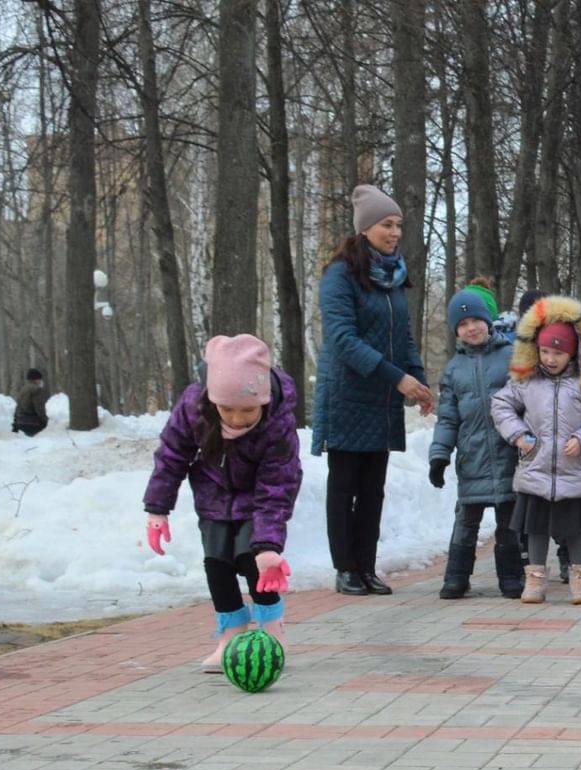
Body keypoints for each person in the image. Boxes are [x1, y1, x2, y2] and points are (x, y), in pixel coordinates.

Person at [142, 335, 302, 670]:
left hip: (257, 499)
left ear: (263, 400)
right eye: (227, 409)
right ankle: (230, 636)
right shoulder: (193, 408)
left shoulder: (277, 423)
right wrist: (158, 508)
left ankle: (272, 630)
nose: (237, 419)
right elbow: (171, 456)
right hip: (213, 496)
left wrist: (269, 545)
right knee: (217, 564)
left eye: (247, 410)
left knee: (252, 560)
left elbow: (278, 485)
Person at [310, 184, 432, 596]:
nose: (395, 232)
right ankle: (345, 568)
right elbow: (342, 340)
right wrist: (396, 377)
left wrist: (419, 379)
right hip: (347, 395)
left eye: (399, 225)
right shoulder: (340, 275)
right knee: (344, 485)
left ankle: (367, 567)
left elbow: (405, 337)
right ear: (365, 228)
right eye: (387, 224)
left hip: (380, 397)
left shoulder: (394, 278)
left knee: (373, 488)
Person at [491, 296, 581, 605]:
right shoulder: (527, 379)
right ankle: (535, 578)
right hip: (536, 467)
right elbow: (501, 404)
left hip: (573, 469)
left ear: (572, 352)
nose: (550, 358)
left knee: (574, 529)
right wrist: (519, 434)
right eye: (545, 351)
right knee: (535, 528)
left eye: (558, 353)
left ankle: (580, 577)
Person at [429, 285, 522, 599]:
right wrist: (439, 455)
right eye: (463, 324)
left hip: (508, 452)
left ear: (488, 320)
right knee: (466, 519)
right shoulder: (454, 369)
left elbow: (527, 400)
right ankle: (456, 576)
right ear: (457, 330)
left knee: (508, 520)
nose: (472, 328)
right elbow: (447, 418)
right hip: (473, 455)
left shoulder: (511, 356)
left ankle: (511, 576)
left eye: (476, 320)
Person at [12, 368, 49, 437]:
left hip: (21, 420)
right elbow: (39, 406)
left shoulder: (23, 389)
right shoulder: (36, 389)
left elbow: (18, 406)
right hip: (32, 421)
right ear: (36, 379)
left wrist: (15, 421)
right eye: (40, 379)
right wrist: (44, 419)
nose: (41, 381)